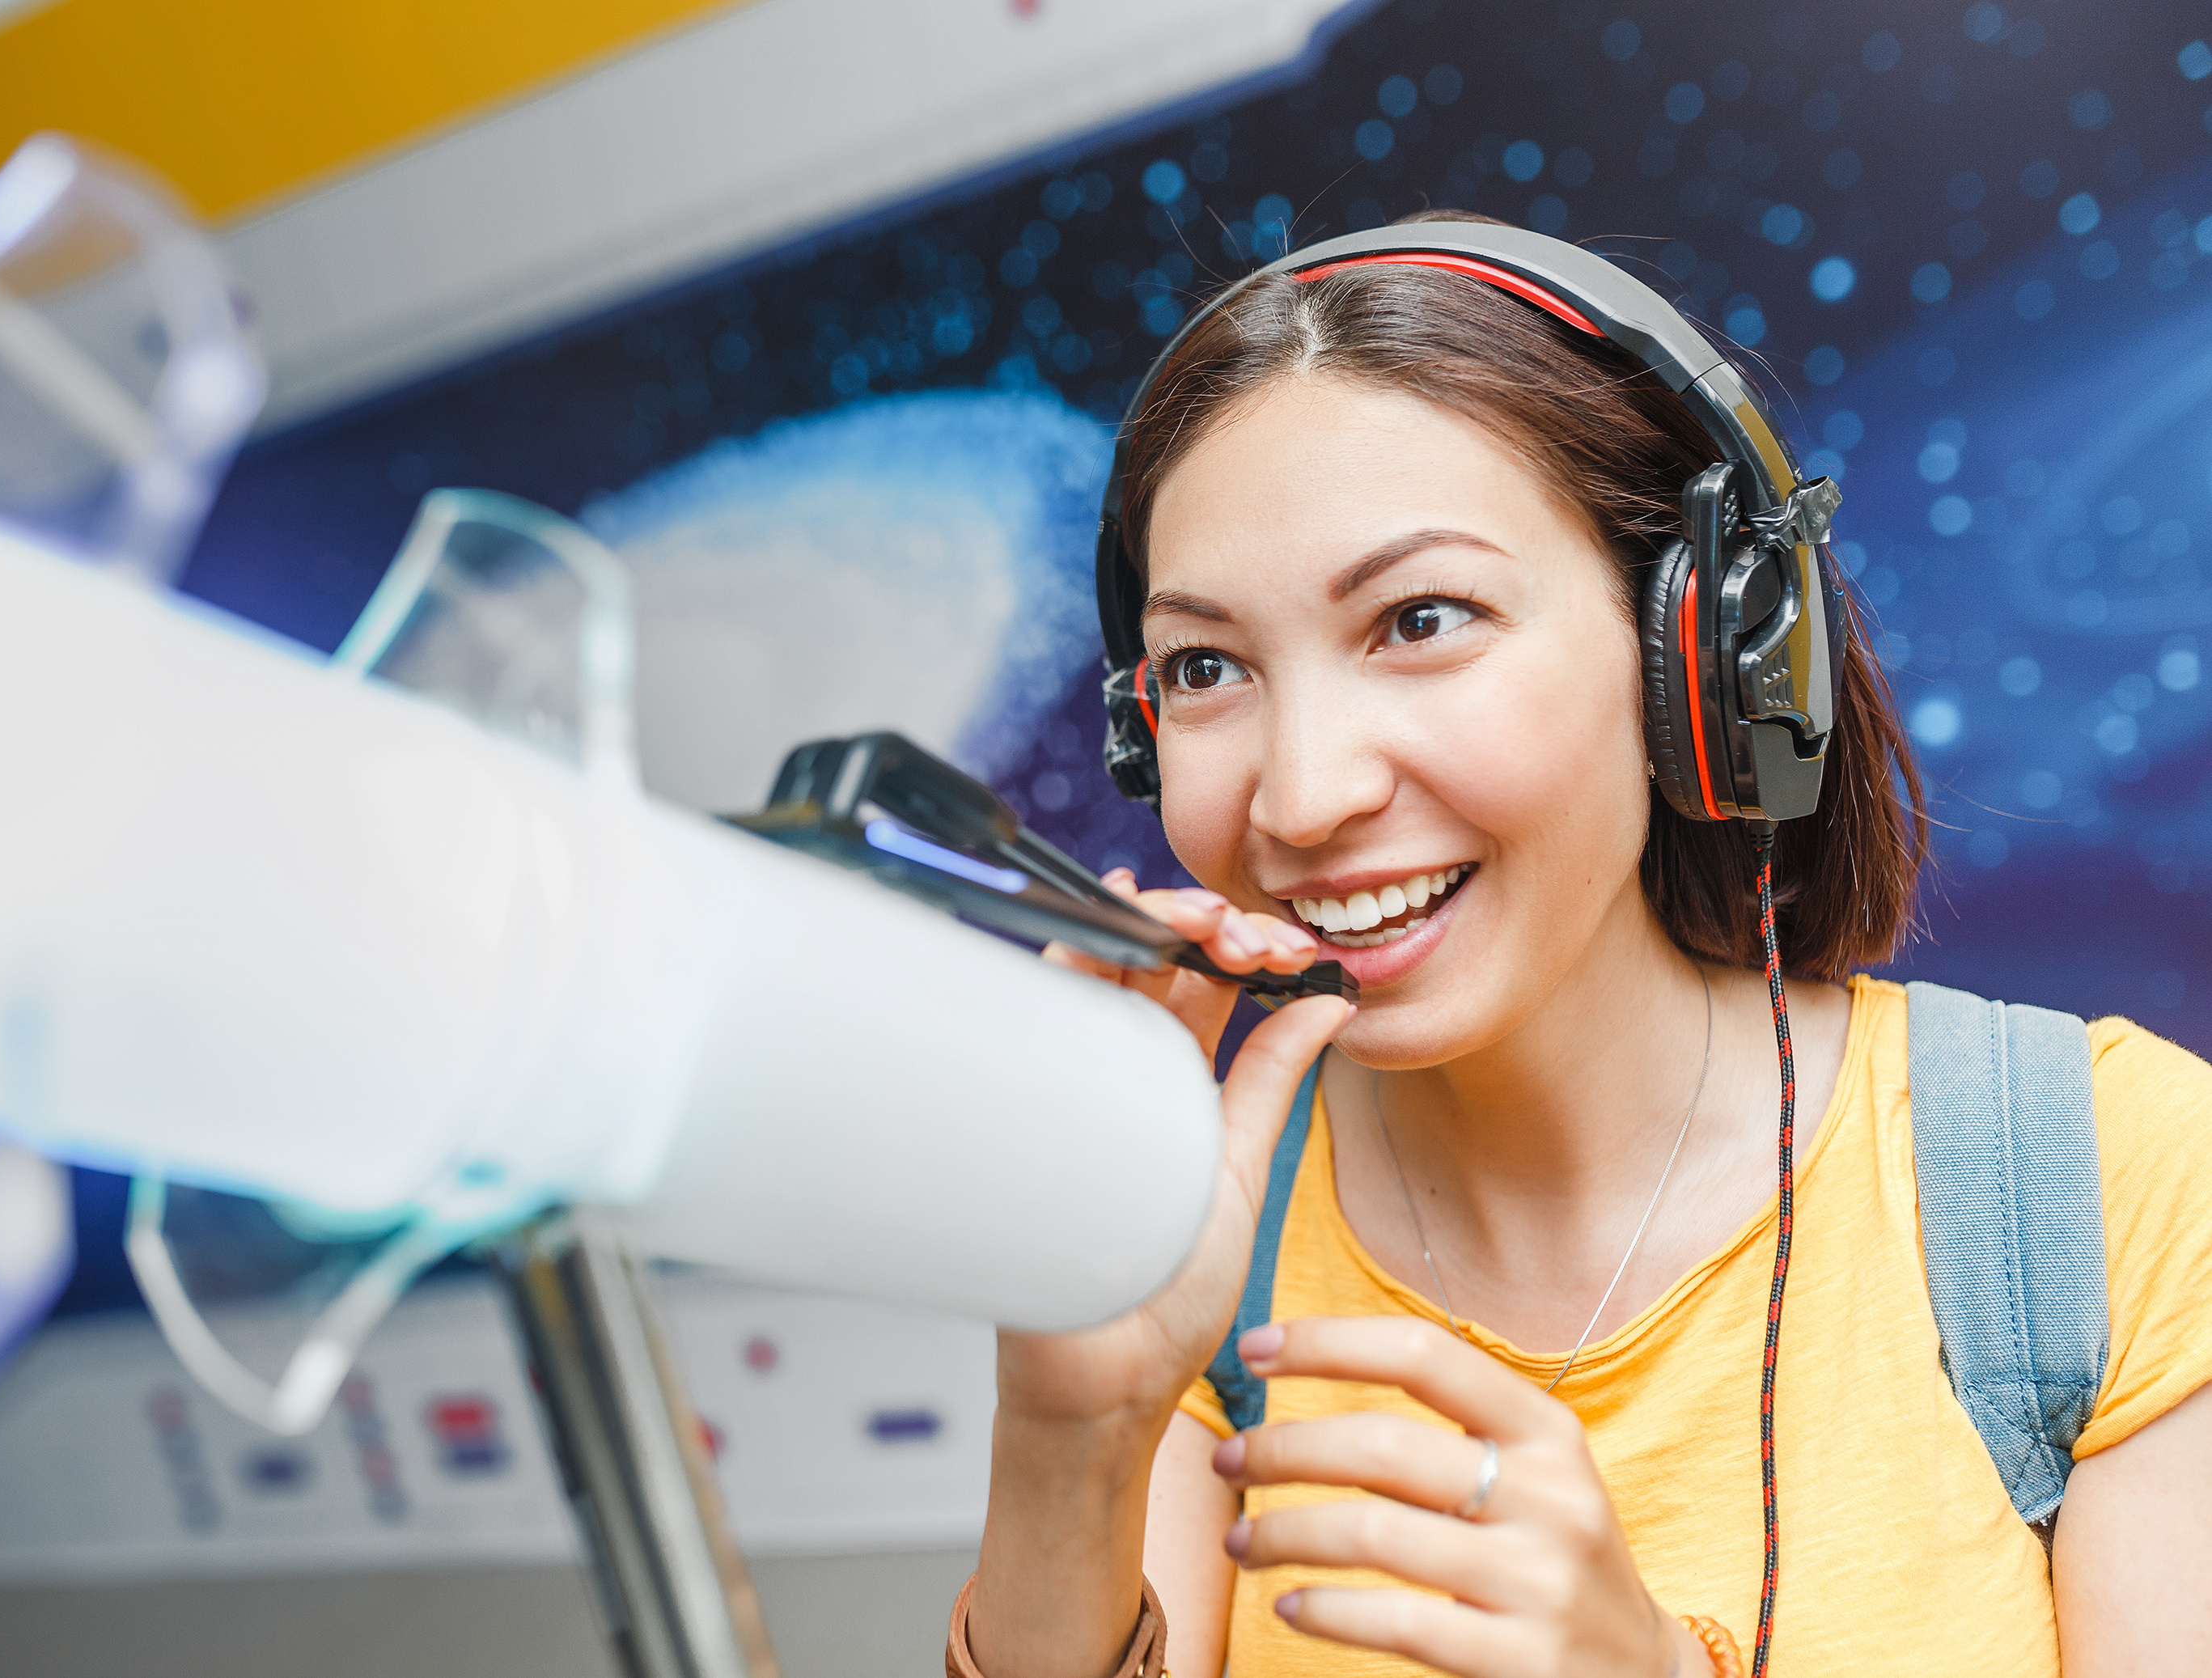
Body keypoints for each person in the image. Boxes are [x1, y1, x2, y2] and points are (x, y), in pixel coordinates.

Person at [947, 211, 2212, 1677]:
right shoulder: (1198, 1233)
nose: (1300, 795)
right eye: (1205, 666)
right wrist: (1070, 1440)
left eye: (1422, 617)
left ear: (1701, 657)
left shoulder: (2102, 1189)